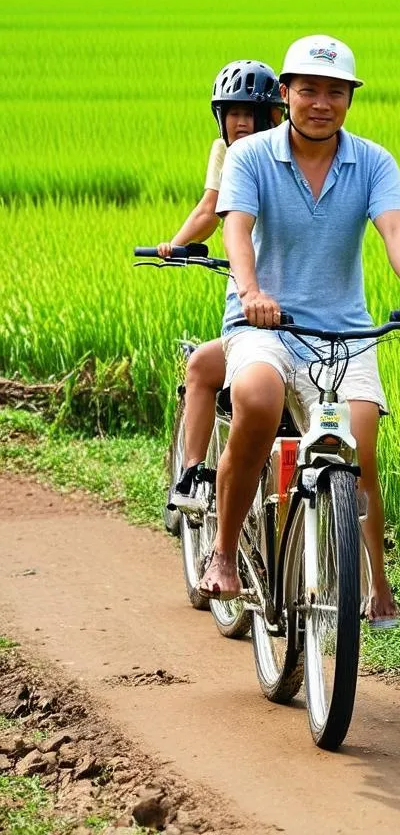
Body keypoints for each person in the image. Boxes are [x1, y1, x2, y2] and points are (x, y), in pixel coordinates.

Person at [199, 34, 400, 629]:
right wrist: (252, 291)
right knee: (257, 401)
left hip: (344, 332)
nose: (321, 103)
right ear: (285, 95)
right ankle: (225, 550)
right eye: (308, 90)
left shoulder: (373, 161)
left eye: (335, 92)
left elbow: (394, 229)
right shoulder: (250, 155)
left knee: (360, 448)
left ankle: (374, 580)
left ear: (349, 100)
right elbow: (236, 228)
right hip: (265, 324)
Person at [160, 61, 285, 533]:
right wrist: (177, 240)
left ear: (272, 115)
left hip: (274, 312)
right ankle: (194, 473)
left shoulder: (269, 155)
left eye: (249, 113)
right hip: (252, 306)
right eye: (231, 112)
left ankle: (195, 477)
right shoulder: (228, 152)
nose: (239, 122)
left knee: (202, 368)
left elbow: (214, 209)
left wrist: (174, 247)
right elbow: (211, 208)